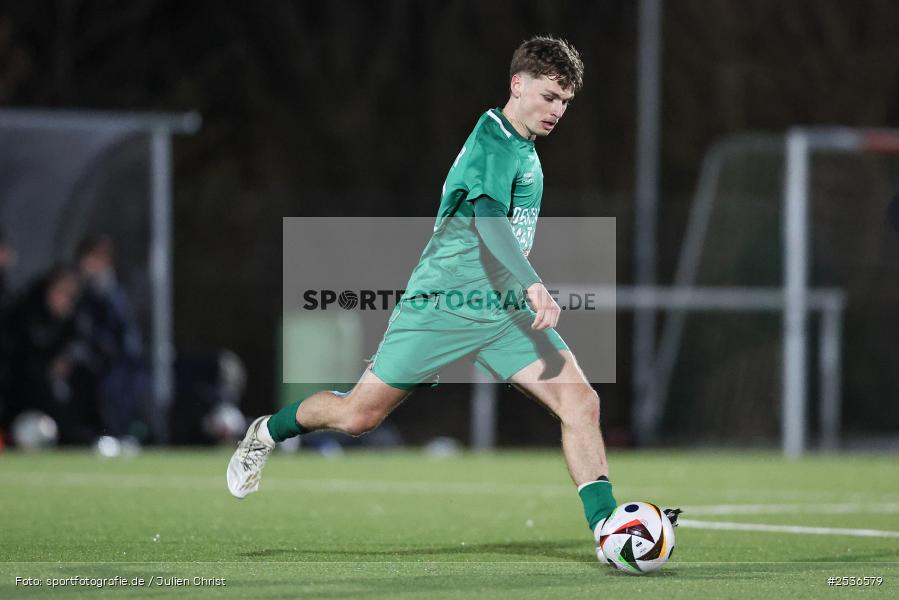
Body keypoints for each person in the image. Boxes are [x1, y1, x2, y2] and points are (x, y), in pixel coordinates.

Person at [227, 36, 678, 547]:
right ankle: (265, 433)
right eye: (549, 97)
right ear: (518, 84)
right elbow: (488, 220)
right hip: (442, 306)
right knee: (358, 416)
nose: (558, 111)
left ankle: (607, 529)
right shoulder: (493, 139)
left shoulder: (523, 147)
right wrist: (533, 283)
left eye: (566, 102)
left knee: (581, 403)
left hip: (502, 314)